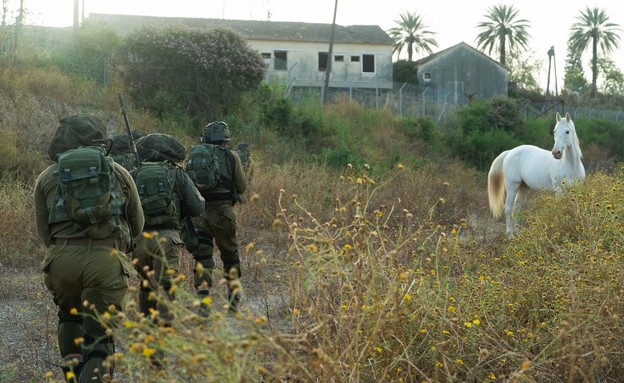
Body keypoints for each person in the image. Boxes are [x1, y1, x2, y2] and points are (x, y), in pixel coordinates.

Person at [34, 114, 144, 382]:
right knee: (99, 339)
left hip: (62, 261)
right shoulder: (119, 172)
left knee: (69, 318)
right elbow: (138, 224)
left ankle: (73, 376)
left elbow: (44, 233)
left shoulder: (47, 177)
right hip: (106, 260)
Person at [132, 133, 205, 327]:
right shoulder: (177, 173)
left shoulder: (134, 173)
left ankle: (148, 330)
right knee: (166, 286)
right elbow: (197, 207)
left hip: (139, 240)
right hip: (169, 240)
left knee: (146, 284)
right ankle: (163, 335)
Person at [186, 121, 247, 316]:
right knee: (229, 253)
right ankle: (234, 299)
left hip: (200, 212)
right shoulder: (231, 156)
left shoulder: (194, 154)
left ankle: (203, 300)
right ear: (225, 140)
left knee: (202, 255)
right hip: (223, 213)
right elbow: (242, 187)